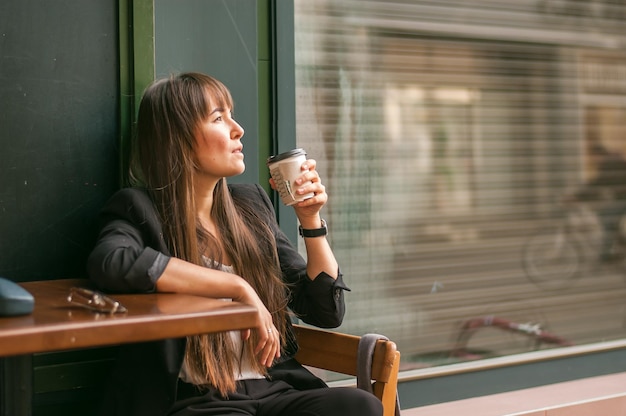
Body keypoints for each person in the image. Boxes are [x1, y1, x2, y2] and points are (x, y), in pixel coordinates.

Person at [87, 72, 383, 416]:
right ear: (177, 138)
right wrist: (239, 288)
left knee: (359, 406)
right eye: (218, 117)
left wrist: (311, 220)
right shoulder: (139, 209)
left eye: (231, 114)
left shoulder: (250, 206)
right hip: (197, 398)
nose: (237, 128)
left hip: (272, 388)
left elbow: (326, 311)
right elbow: (112, 261)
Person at [572, 143, 626, 261]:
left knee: (607, 218)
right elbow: (600, 182)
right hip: (621, 198)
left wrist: (578, 196)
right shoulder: (610, 162)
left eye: (592, 156)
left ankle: (606, 255)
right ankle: (619, 242)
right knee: (606, 217)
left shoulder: (609, 164)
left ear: (598, 155)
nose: (592, 160)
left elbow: (599, 182)